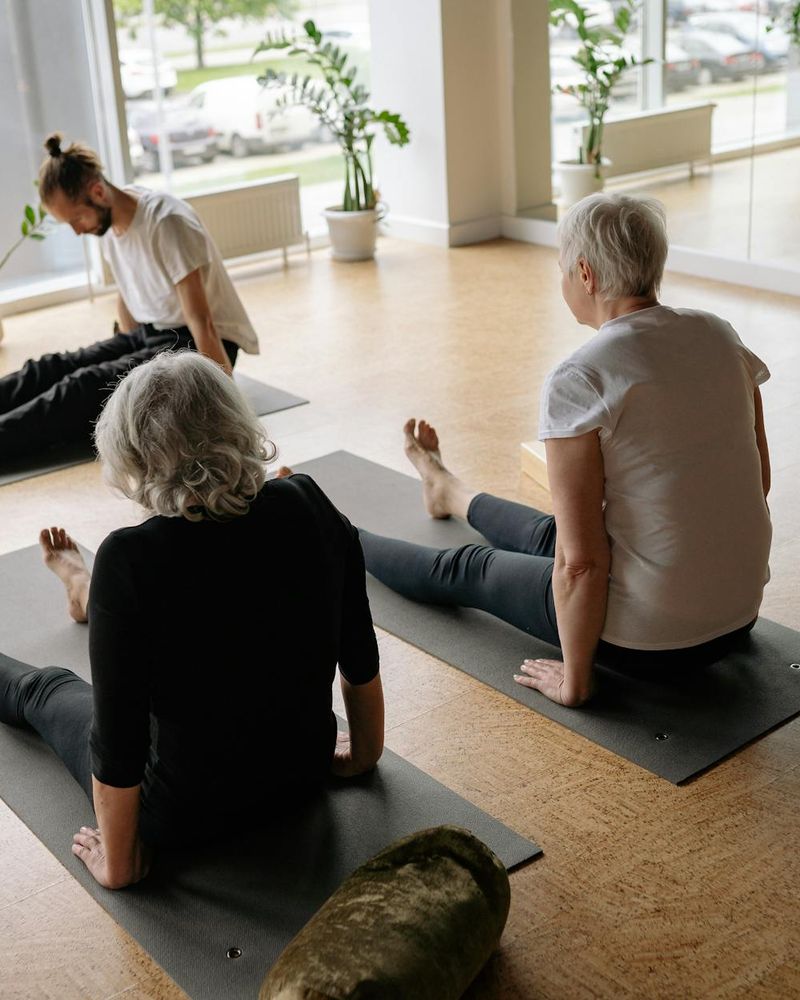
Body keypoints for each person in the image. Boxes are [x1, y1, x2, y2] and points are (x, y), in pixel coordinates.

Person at [356, 194, 772, 708]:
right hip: (739, 616)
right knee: (549, 533)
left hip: (650, 642)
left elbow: (582, 564)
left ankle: (338, 535)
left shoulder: (581, 377)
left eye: (561, 269)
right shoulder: (719, 334)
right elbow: (759, 483)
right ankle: (449, 492)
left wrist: (576, 680)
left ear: (585, 273)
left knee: (471, 568)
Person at [0, 351, 384, 889]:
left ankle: (88, 592)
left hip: (181, 818)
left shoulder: (131, 558)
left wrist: (120, 861)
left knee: (45, 689)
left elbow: (118, 742)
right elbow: (359, 653)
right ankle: (87, 592)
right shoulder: (307, 502)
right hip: (301, 775)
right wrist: (363, 754)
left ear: (136, 455)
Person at [0, 132, 260, 460]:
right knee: (51, 368)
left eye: (77, 218)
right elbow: (128, 295)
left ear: (98, 192)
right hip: (153, 334)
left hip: (198, 346)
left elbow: (201, 320)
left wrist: (227, 408)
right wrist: (121, 361)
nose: (77, 230)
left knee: (79, 389)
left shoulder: (167, 222)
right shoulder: (109, 225)